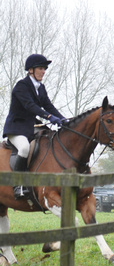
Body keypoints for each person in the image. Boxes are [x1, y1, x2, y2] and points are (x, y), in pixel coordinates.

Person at [3, 54, 66, 199]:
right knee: (24, 148)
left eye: (44, 68)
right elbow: (30, 106)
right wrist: (49, 117)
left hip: (31, 128)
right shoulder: (21, 86)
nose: (43, 71)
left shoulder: (40, 88)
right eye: (40, 68)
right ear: (30, 70)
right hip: (16, 128)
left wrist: (63, 119)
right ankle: (18, 184)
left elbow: (48, 105)